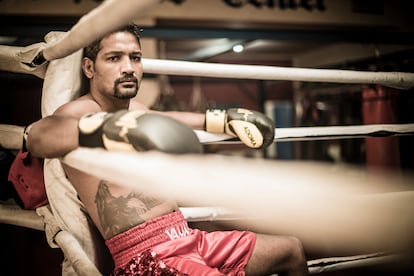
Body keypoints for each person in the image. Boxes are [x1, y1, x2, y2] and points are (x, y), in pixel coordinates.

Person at [26, 23, 308, 275]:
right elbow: (40, 136)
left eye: (135, 58)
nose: (128, 68)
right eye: (114, 58)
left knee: (291, 250)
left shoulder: (136, 109)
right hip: (146, 258)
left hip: (187, 237)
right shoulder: (80, 111)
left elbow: (164, 119)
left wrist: (223, 120)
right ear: (89, 68)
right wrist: (113, 129)